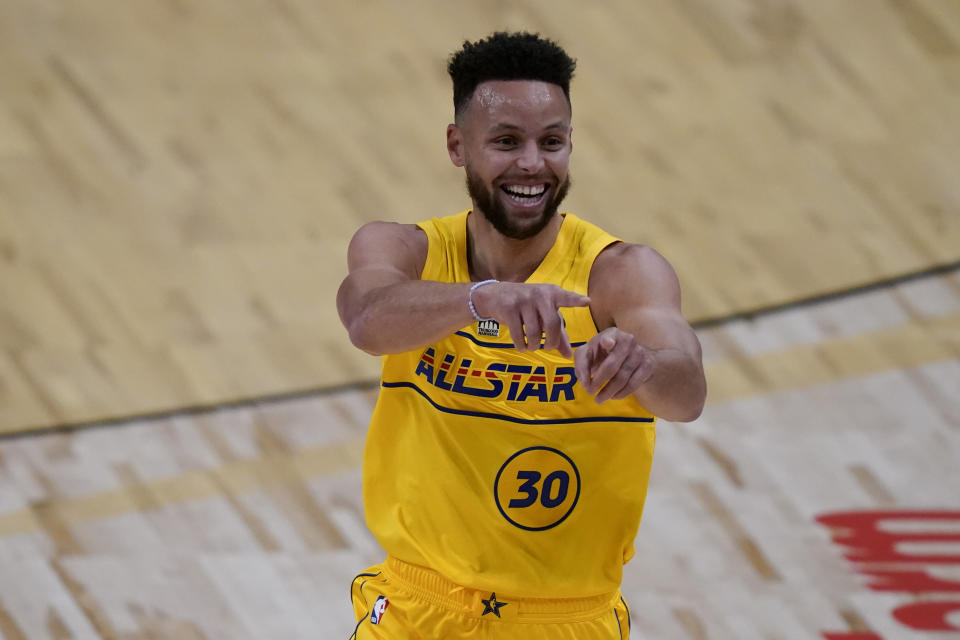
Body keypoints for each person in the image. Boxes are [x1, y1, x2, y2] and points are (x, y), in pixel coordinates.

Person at [336, 31, 706, 640]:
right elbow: (367, 321)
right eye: (507, 141)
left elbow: (687, 392)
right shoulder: (403, 249)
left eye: (552, 142)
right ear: (458, 146)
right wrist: (481, 301)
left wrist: (643, 366)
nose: (532, 163)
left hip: (564, 620)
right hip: (416, 609)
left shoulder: (621, 273)